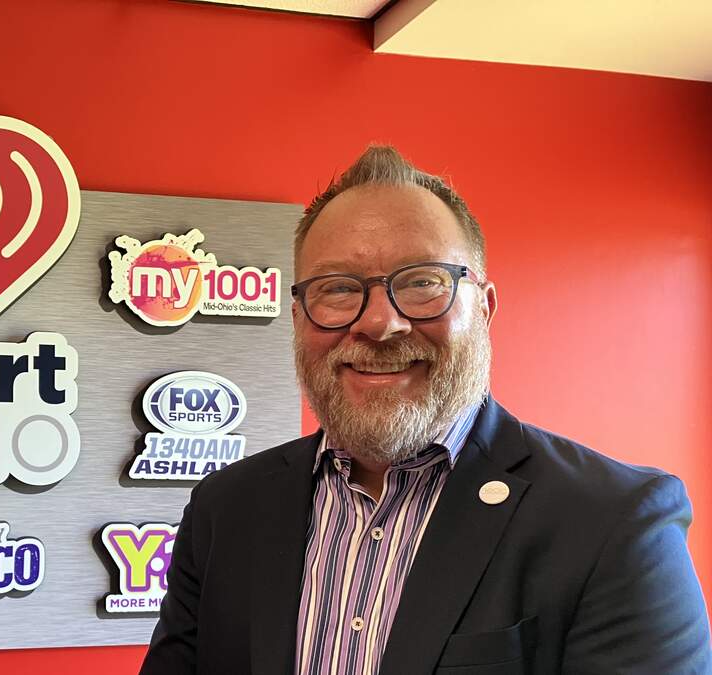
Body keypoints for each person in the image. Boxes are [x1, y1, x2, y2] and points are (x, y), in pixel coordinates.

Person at [139, 146, 711, 675]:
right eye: (338, 289)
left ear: (483, 309)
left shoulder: (614, 524)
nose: (378, 323)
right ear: (298, 319)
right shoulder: (225, 510)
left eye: (422, 283)